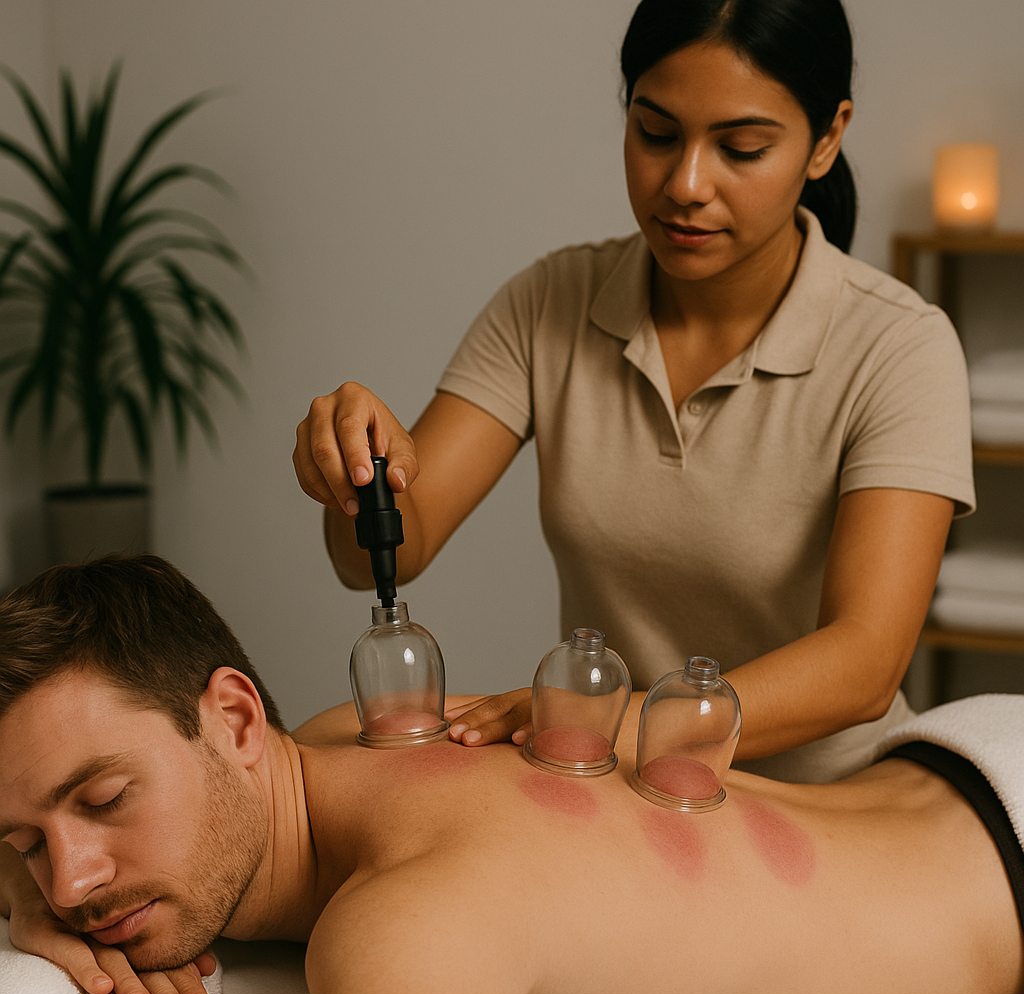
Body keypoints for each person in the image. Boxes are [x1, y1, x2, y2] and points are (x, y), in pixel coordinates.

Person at [292, 0, 975, 784]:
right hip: (622, 793)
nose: (685, 184)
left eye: (742, 149)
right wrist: (356, 468)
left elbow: (866, 663)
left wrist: (612, 720)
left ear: (827, 139)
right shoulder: (550, 302)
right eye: (655, 134)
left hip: (824, 802)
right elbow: (384, 553)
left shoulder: (899, 345)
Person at [1, 555, 1021, 994]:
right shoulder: (328, 740)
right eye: (25, 839)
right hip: (966, 755)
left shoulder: (405, 926)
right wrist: (25, 901)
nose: (72, 878)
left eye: (102, 800)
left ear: (231, 719)